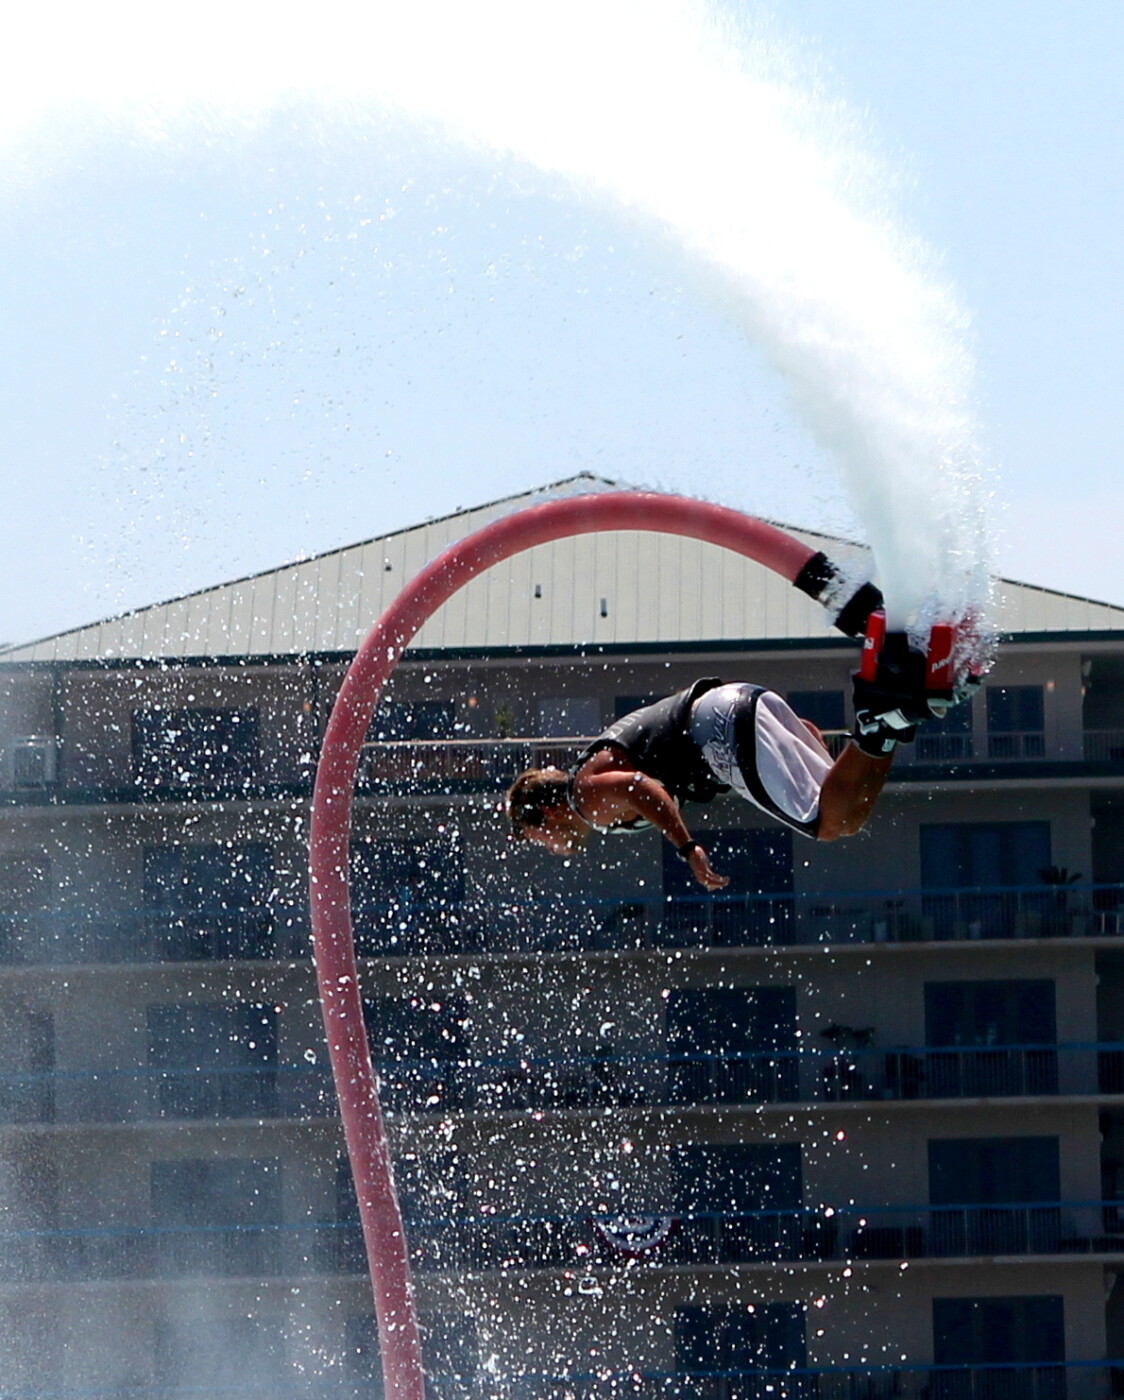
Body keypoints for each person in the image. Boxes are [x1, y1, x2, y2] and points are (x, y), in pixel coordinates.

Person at [505, 561, 950, 890]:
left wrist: (687, 848)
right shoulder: (589, 780)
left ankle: (876, 725)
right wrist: (802, 743)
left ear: (546, 815)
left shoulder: (583, 798)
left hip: (721, 730)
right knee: (846, 817)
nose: (549, 848)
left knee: (828, 821)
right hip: (745, 707)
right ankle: (895, 717)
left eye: (537, 838)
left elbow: (641, 788)